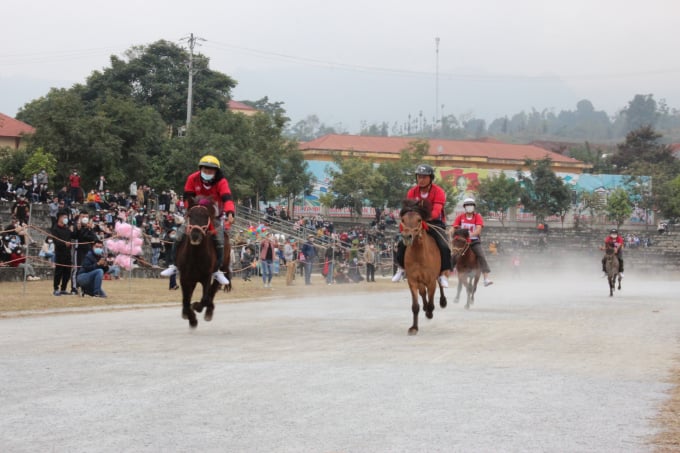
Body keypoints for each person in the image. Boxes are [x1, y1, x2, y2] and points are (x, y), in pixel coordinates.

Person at [160, 155, 234, 285]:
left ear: (216, 171)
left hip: (213, 216)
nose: (208, 173)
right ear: (201, 169)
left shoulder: (222, 182)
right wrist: (192, 211)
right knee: (178, 236)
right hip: (195, 215)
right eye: (205, 170)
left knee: (221, 239)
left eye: (211, 170)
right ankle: (174, 265)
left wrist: (230, 213)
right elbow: (187, 197)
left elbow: (227, 198)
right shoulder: (192, 178)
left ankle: (216, 271)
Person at [392, 164, 452, 287]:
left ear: (430, 178)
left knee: (444, 246)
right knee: (402, 243)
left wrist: (424, 220)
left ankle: (443, 274)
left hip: (435, 223)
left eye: (424, 177)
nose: (421, 179)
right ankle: (401, 269)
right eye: (419, 177)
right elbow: (408, 210)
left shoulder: (439, 191)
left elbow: (436, 211)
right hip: (415, 224)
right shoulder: (412, 191)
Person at [452, 197, 494, 287]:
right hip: (462, 242)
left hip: (474, 242)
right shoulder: (460, 217)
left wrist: (469, 235)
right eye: (467, 205)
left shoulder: (477, 217)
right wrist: (455, 233)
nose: (469, 207)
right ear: (464, 207)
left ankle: (486, 278)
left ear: (474, 207)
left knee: (481, 256)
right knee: (454, 255)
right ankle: (446, 274)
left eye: (471, 205)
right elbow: (455, 227)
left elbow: (478, 230)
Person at [51, 210, 74, 296]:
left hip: (68, 253)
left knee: (67, 271)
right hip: (60, 253)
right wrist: (64, 243)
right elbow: (56, 241)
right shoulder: (55, 229)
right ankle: (56, 288)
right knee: (59, 271)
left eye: (66, 217)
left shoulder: (67, 228)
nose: (66, 219)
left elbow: (72, 236)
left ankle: (63, 288)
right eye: (64, 217)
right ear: (59, 218)